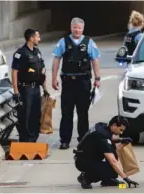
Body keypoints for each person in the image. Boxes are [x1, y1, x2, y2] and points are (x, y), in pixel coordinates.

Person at [51, 17, 101, 149]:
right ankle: (65, 140)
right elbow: (56, 59)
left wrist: (97, 78)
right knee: (66, 112)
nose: (77, 30)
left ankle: (83, 139)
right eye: (75, 28)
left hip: (83, 82)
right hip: (68, 82)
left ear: (83, 29)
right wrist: (54, 78)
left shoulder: (89, 42)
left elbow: (95, 60)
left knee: (83, 113)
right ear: (71, 28)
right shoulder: (63, 42)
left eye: (79, 28)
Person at [73, 116, 139, 189]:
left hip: (88, 156)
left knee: (112, 151)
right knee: (110, 168)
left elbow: (108, 139)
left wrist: (121, 140)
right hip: (83, 161)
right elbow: (113, 161)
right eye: (121, 130)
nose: (121, 132)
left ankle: (107, 180)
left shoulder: (103, 126)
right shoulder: (102, 136)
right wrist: (126, 178)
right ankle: (85, 178)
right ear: (114, 125)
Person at [11, 28, 49, 142]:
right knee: (25, 115)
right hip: (25, 88)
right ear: (31, 38)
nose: (39, 39)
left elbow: (42, 71)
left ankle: (33, 139)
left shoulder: (37, 52)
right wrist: (16, 92)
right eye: (37, 37)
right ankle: (25, 140)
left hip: (36, 88)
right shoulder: (20, 53)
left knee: (36, 114)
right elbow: (14, 72)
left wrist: (45, 88)